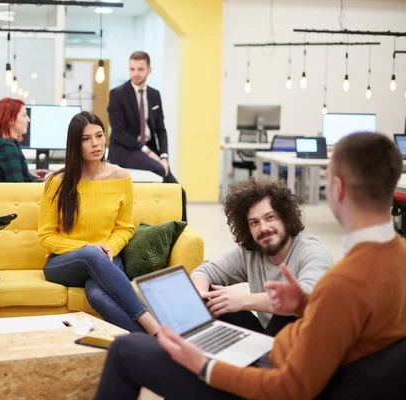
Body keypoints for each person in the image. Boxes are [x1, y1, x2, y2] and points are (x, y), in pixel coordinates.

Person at [94, 132, 406, 400]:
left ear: (336, 189)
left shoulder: (343, 283)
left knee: (126, 350)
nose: (263, 226)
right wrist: (304, 304)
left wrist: (203, 365)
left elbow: (290, 390)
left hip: (266, 382)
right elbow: (345, 322)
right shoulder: (398, 256)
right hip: (280, 357)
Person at [38, 111, 159, 335]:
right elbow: (46, 236)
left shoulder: (121, 177)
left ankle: (150, 343)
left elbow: (125, 227)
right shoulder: (57, 182)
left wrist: (109, 249)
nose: (95, 143)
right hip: (63, 263)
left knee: (96, 294)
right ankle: (153, 327)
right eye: (86, 139)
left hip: (107, 257)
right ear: (75, 144)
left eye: (99, 135)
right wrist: (88, 247)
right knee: (92, 255)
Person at [191, 179, 332, 336]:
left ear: (285, 218)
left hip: (305, 342)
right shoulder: (251, 253)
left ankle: (257, 356)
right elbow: (204, 271)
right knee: (213, 296)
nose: (263, 228)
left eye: (270, 217)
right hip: (269, 336)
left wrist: (242, 301)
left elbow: (309, 297)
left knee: (285, 311)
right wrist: (202, 296)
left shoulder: (312, 251)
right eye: (254, 223)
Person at [107, 51, 187, 222]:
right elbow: (119, 132)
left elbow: (160, 130)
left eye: (140, 69)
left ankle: (181, 230)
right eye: (132, 69)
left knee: (180, 192)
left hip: (149, 149)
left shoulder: (154, 94)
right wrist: (148, 153)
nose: (135, 73)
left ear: (149, 70)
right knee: (160, 169)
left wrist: (164, 156)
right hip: (125, 149)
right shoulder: (117, 94)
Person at [0, 97, 48, 182]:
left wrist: (27, 173)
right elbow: (18, 188)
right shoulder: (6, 148)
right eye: (24, 115)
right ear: (10, 119)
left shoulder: (3, 144)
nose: (28, 120)